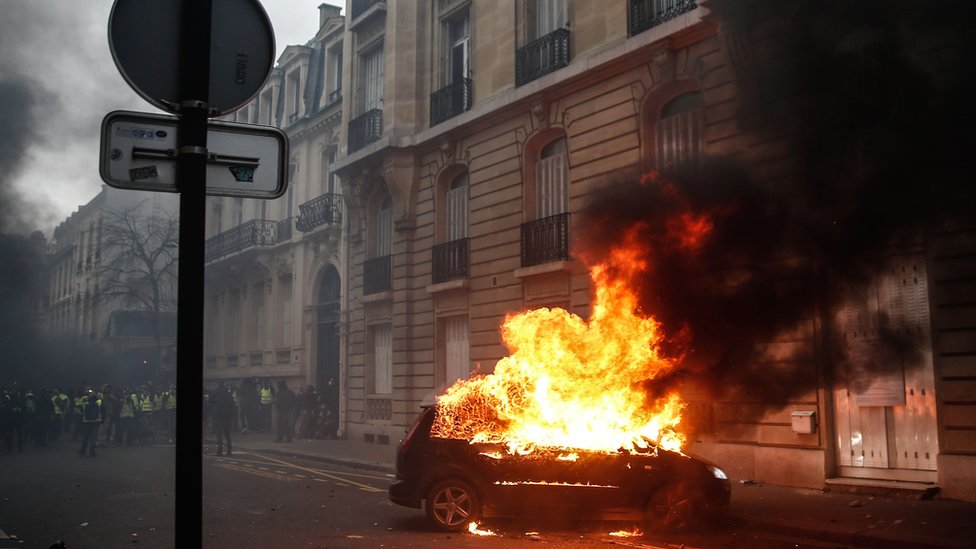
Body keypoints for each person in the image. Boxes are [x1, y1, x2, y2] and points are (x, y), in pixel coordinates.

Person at [208, 382, 235, 456]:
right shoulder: (228, 393)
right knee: (227, 435)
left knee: (219, 435)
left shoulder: (215, 392)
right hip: (228, 417)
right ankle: (229, 451)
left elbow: (210, 401)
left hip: (218, 417)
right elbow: (232, 404)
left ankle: (219, 451)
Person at [78, 389, 102, 457]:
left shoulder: (85, 404)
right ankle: (92, 452)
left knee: (85, 437)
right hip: (96, 422)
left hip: (87, 422)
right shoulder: (99, 403)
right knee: (93, 438)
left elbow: (80, 409)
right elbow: (100, 400)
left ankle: (82, 450)